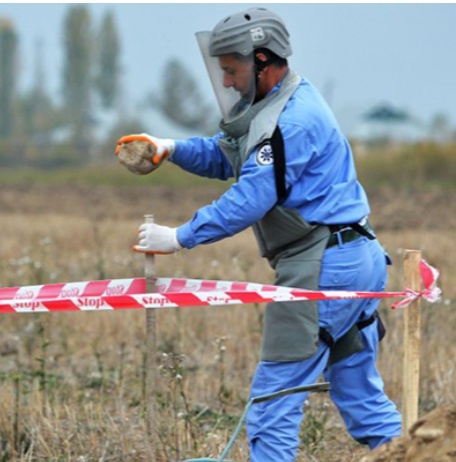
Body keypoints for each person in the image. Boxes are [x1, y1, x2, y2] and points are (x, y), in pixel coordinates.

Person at [115, 7, 402, 462]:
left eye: (232, 70)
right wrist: (170, 149)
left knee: (273, 400)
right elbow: (227, 153)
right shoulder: (277, 106)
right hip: (356, 259)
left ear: (263, 60)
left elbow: (251, 197)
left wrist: (180, 237)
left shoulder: (291, 122)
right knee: (361, 396)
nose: (226, 81)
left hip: (322, 268)